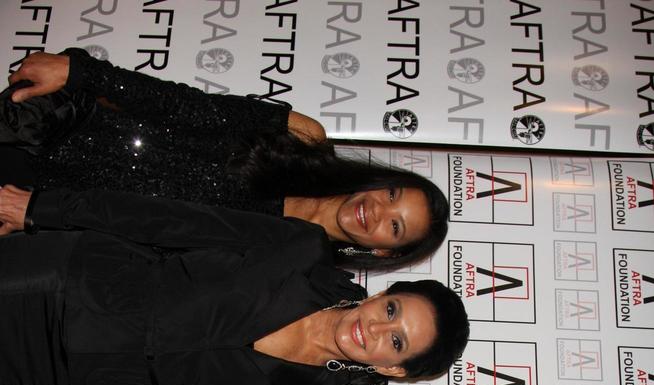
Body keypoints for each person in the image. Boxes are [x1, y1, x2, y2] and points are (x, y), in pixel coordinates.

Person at [0, 184, 468, 385]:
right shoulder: (300, 250)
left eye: (397, 342)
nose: (377, 329)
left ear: (394, 369)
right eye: (392, 312)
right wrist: (45, 209)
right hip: (68, 285)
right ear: (385, 295)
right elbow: (171, 221)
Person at [1, 49, 448, 273]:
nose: (378, 211)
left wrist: (42, 218)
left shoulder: (291, 261)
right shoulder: (305, 138)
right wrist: (84, 74)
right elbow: (183, 106)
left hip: (49, 208)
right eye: (392, 195)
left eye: (394, 225)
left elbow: (151, 255)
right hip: (56, 130)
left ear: (385, 251)